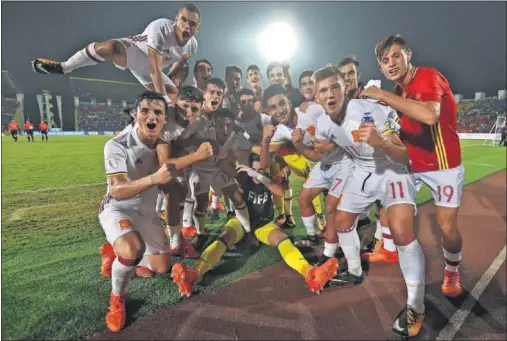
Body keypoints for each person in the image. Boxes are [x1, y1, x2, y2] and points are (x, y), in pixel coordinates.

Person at [312, 64, 425, 338]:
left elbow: (404, 155)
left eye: (335, 87)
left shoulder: (369, 110)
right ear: (315, 97)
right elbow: (325, 153)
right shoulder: (323, 124)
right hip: (362, 170)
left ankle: (416, 307)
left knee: (402, 233)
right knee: (342, 220)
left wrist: (381, 142)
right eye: (323, 90)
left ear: (345, 88)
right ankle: (353, 270)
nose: (330, 94)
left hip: (392, 169)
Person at [363, 34, 465, 299]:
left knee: (446, 228)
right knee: (388, 203)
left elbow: (430, 115)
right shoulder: (398, 92)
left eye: (396, 55)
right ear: (380, 68)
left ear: (408, 55)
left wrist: (382, 95)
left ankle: (452, 268)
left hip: (443, 166)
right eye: (385, 60)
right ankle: (390, 247)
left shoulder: (429, 76)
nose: (392, 63)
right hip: (412, 164)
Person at [171, 153, 338, 297]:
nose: (257, 173)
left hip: (263, 225)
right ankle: (195, 274)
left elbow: (280, 191)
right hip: (241, 223)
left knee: (283, 239)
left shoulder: (266, 180)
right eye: (254, 170)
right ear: (248, 170)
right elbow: (230, 170)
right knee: (223, 239)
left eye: (261, 170)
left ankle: (310, 274)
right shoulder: (244, 179)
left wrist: (260, 176)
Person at [97, 91, 175, 332]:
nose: (151, 116)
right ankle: (117, 298)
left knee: (161, 268)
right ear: (135, 115)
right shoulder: (117, 145)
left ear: (164, 120)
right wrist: (155, 178)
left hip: (146, 213)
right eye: (145, 111)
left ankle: (113, 250)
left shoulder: (165, 143)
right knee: (133, 249)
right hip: (117, 208)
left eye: (158, 113)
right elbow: (117, 190)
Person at [32, 3, 201, 105]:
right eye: (183, 20)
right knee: (109, 47)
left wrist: (170, 75)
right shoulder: (161, 28)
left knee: (175, 98)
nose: (187, 26)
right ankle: (64, 67)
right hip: (135, 52)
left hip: (149, 69)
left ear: (197, 28)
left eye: (192, 23)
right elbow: (155, 68)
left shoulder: (192, 46)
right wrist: (162, 97)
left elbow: (182, 59)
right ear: (176, 19)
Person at [260, 85, 326, 231]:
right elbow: (264, 165)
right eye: (273, 107)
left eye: (282, 103)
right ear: (269, 111)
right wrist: (265, 141)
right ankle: (318, 233)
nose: (280, 110)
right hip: (324, 163)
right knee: (305, 198)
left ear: (290, 102)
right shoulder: (280, 131)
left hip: (342, 158)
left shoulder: (310, 110)